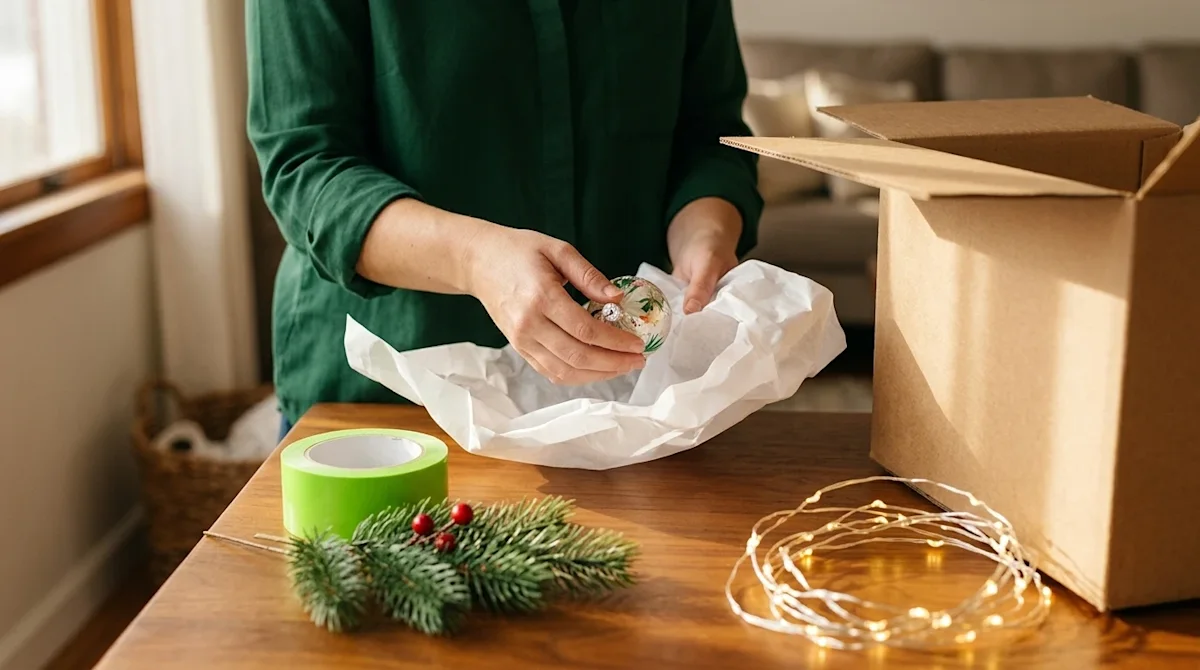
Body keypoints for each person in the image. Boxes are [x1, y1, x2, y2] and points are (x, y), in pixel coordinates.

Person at [246, 0, 762, 438]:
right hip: (395, 407)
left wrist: (704, 229)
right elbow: (306, 168)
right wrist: (475, 261)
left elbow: (711, 134)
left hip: (635, 407)